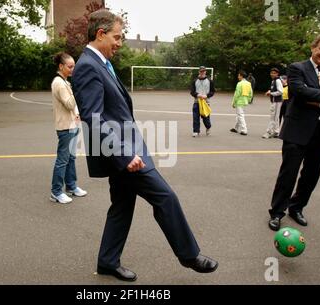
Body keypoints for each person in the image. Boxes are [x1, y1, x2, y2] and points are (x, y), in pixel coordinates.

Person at [72, 9, 218, 281]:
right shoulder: (88, 66)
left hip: (125, 150)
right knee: (165, 197)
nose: (119, 42)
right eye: (116, 37)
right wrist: (125, 154)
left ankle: (107, 261)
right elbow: (94, 118)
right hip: (123, 155)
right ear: (101, 34)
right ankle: (189, 255)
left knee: (122, 207)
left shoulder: (100, 63)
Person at [268, 33, 320, 231]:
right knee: (288, 174)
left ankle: (297, 207)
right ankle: (277, 212)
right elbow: (297, 91)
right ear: (313, 48)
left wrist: (317, 101)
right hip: (297, 131)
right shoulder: (297, 68)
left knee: (311, 176)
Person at [50, 52, 87, 204]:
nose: (73, 69)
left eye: (74, 66)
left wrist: (77, 114)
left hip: (72, 125)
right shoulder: (59, 83)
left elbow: (73, 107)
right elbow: (70, 103)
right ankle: (56, 192)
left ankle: (71, 186)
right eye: (70, 66)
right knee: (63, 160)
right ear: (61, 66)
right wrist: (78, 88)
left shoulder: (65, 82)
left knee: (71, 158)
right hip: (65, 128)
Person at [189, 66, 215, 137]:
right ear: (199, 72)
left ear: (205, 72)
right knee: (195, 117)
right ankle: (196, 131)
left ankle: (208, 127)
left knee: (206, 118)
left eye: (204, 71)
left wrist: (207, 95)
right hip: (196, 102)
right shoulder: (195, 81)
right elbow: (192, 92)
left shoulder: (210, 81)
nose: (202, 72)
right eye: (201, 71)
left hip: (206, 102)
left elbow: (212, 91)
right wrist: (197, 94)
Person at [262, 67, 283, 139]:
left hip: (277, 102)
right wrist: (270, 92)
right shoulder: (273, 81)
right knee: (276, 117)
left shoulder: (277, 81)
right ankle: (277, 131)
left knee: (273, 117)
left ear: (277, 74)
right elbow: (274, 90)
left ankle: (269, 132)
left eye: (274, 73)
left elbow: (280, 91)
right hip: (274, 101)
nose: (272, 74)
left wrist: (271, 93)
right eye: (271, 73)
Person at [230, 70, 252, 136]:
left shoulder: (239, 84)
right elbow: (251, 93)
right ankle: (236, 128)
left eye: (238, 75)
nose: (238, 77)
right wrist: (249, 100)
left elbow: (237, 94)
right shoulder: (248, 83)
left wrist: (234, 102)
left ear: (241, 76)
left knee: (240, 115)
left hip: (239, 101)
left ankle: (244, 130)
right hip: (245, 101)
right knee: (239, 115)